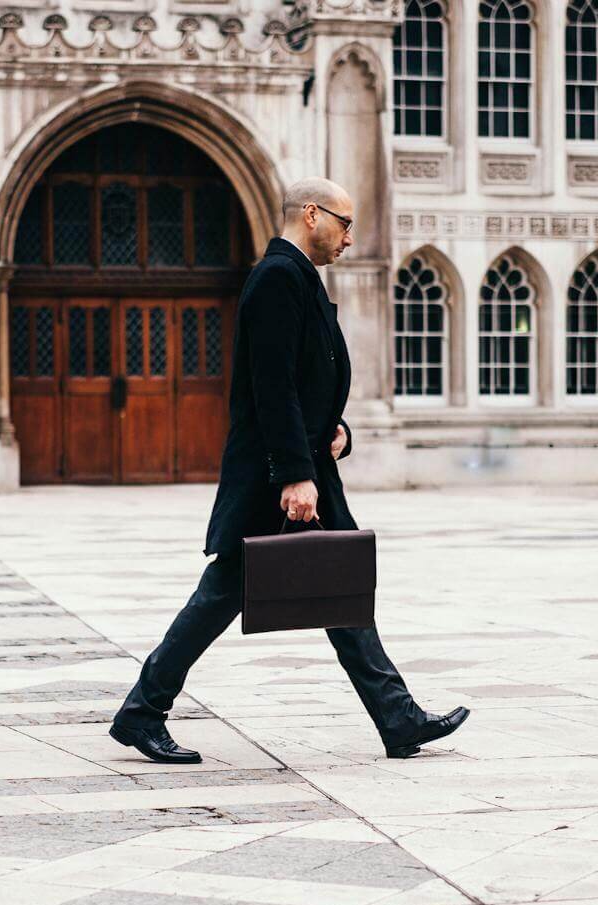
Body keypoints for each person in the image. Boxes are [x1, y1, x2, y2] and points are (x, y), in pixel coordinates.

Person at [110, 177, 469, 763]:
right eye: (345, 223)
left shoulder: (298, 278)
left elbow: (308, 383)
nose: (351, 237)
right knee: (227, 593)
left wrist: (340, 431)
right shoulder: (278, 277)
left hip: (303, 466)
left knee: (339, 587)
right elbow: (272, 389)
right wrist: (294, 475)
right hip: (280, 477)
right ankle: (141, 711)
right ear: (311, 214)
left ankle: (398, 718)